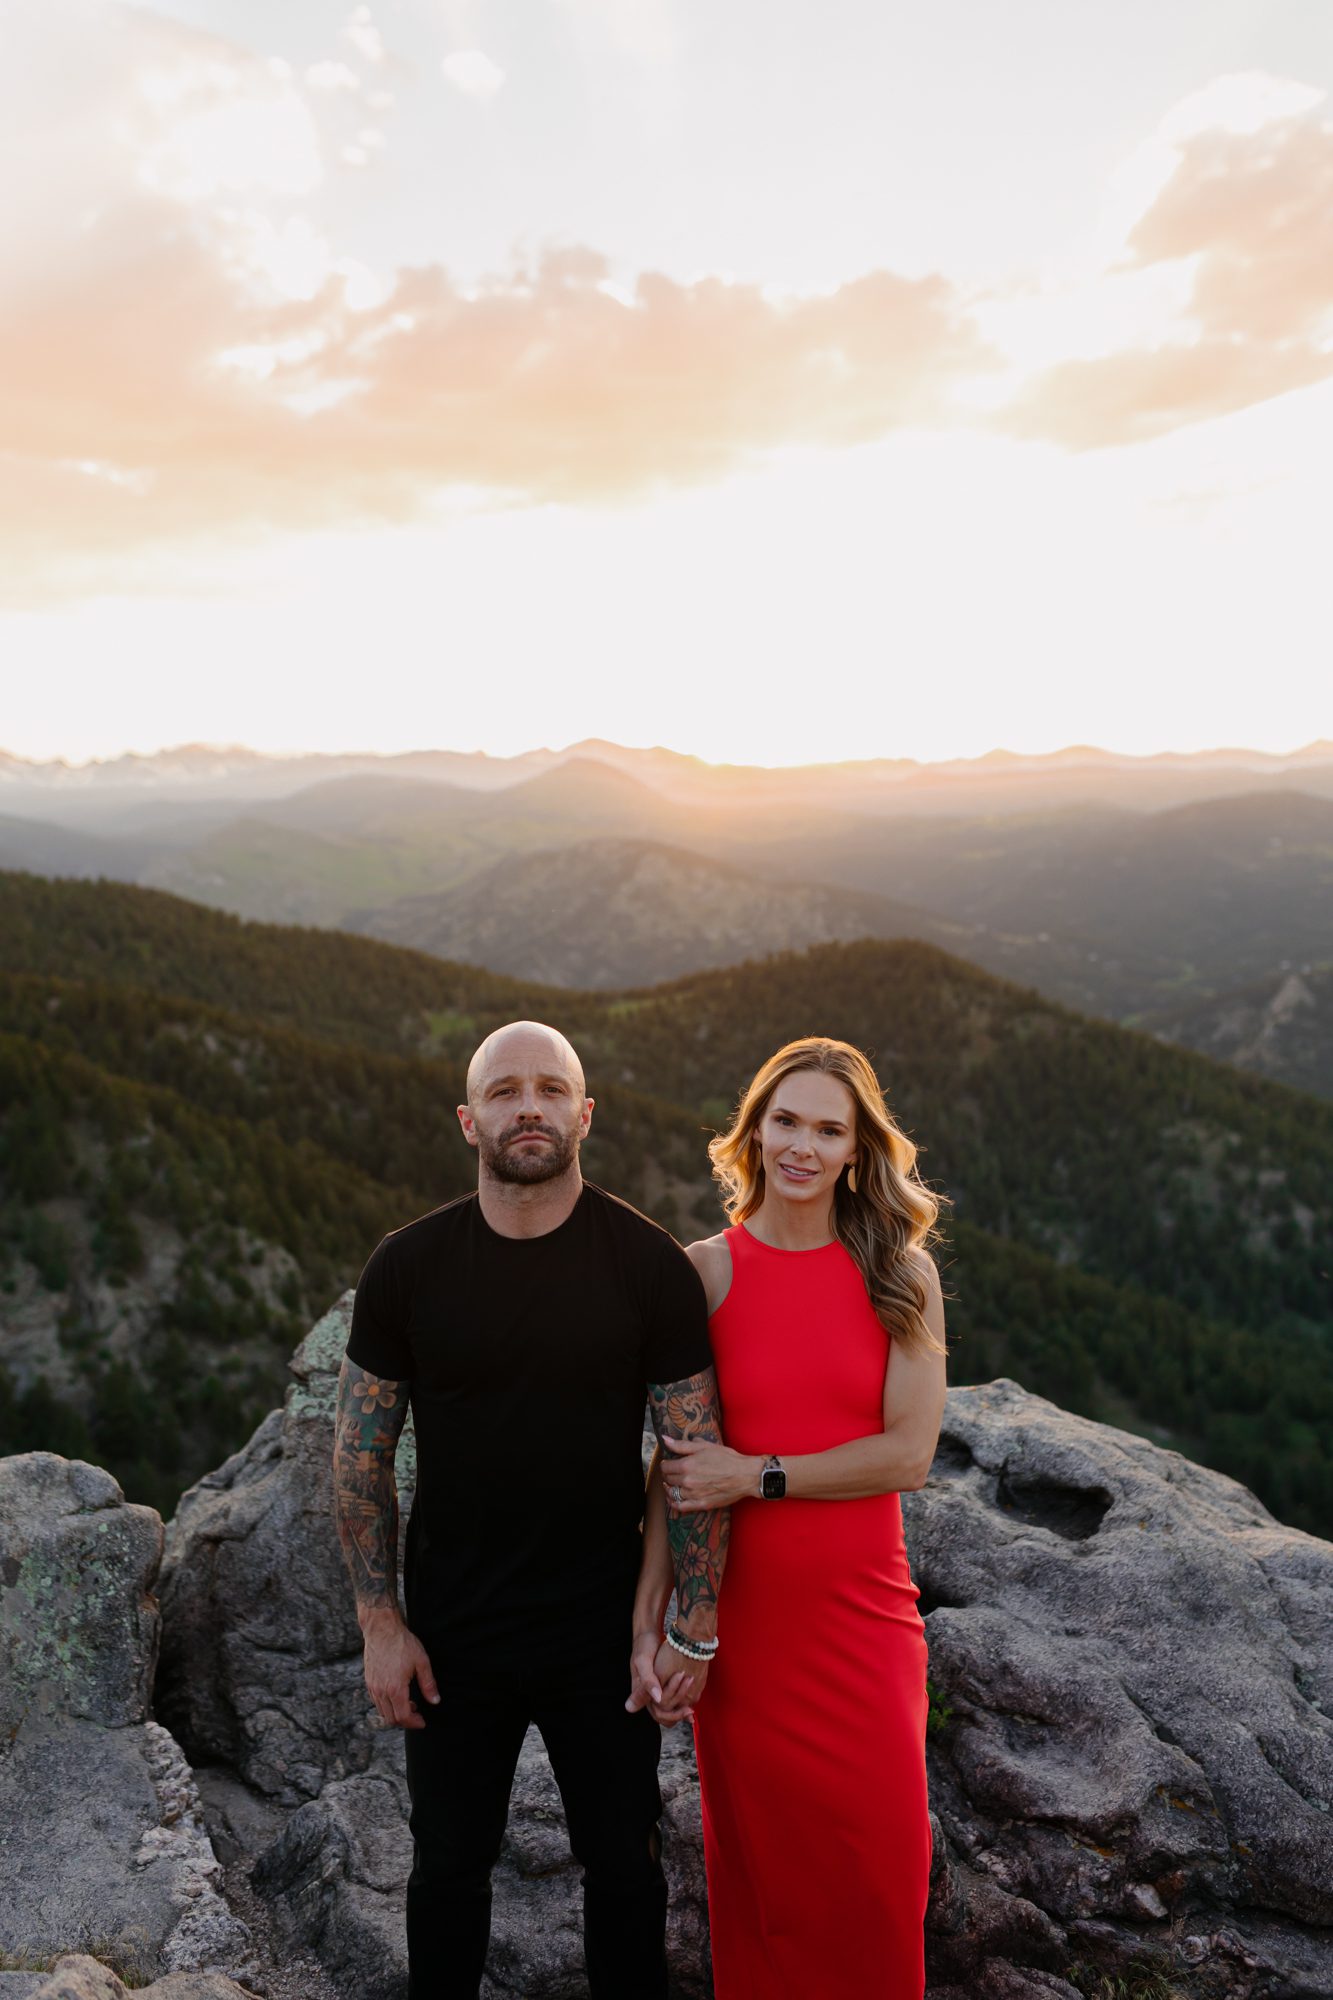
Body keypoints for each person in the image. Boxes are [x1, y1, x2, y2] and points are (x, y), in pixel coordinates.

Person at [331, 1019, 731, 2000]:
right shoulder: (407, 1267)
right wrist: (380, 1622)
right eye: (505, 1090)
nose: (529, 1106)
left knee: (625, 1868)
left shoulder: (646, 1267)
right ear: (470, 1120)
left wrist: (691, 1622)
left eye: (550, 1088)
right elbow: (359, 1457)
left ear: (584, 1112)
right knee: (447, 1871)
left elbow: (692, 1455)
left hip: (602, 1632)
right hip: (453, 1629)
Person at [629, 1035, 948, 1999]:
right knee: (765, 1895)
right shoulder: (704, 1273)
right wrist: (652, 1617)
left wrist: (757, 1475)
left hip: (865, 1626)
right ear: (754, 1132)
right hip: (748, 1636)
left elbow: (908, 1454)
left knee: (880, 1880)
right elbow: (674, 1468)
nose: (802, 1146)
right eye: (785, 1121)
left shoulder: (902, 1275)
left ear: (857, 1151)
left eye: (827, 1128)